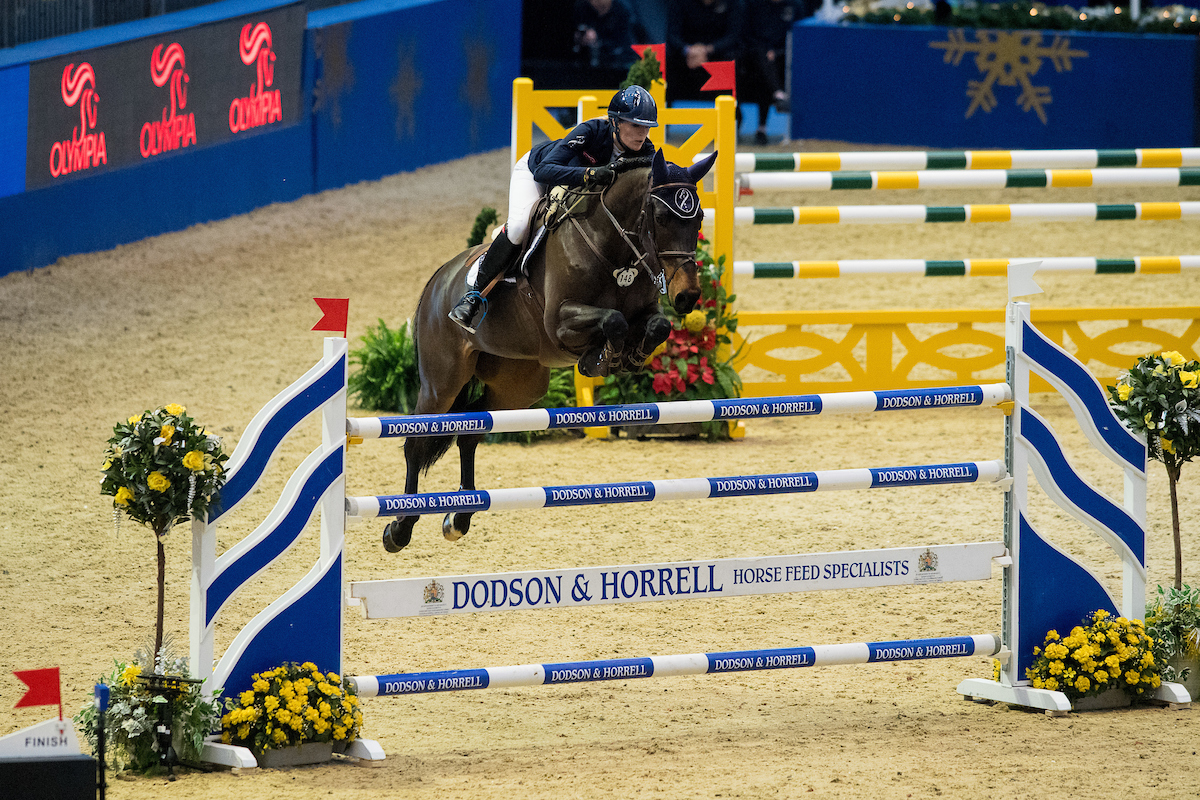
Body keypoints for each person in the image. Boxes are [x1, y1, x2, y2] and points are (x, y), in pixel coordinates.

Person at [448, 85, 659, 333]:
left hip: (576, 190)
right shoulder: (591, 132)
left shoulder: (645, 151)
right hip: (537, 173)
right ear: (615, 122)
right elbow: (544, 170)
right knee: (519, 227)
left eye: (646, 127)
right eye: (635, 125)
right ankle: (473, 297)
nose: (642, 133)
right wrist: (590, 173)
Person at [741, 0, 813, 144]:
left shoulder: (795, 5)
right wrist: (766, 50)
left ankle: (777, 98)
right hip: (754, 55)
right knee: (763, 69)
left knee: (769, 72)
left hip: (786, 55)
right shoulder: (754, 5)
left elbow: (800, 35)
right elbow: (746, 33)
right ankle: (778, 94)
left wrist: (779, 51)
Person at [664, 0, 745, 103]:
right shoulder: (679, 3)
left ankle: (732, 110)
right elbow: (672, 35)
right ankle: (667, 108)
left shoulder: (732, 4)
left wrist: (707, 50)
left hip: (718, 52)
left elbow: (733, 36)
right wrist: (689, 50)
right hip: (688, 54)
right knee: (669, 60)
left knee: (733, 59)